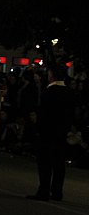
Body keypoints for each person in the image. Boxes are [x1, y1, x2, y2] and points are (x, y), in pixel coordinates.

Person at [27, 65, 75, 202]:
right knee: (59, 163)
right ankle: (57, 192)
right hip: (61, 132)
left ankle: (44, 190)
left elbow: (44, 113)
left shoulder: (49, 91)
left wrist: (38, 127)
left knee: (45, 162)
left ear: (52, 75)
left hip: (47, 132)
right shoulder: (69, 92)